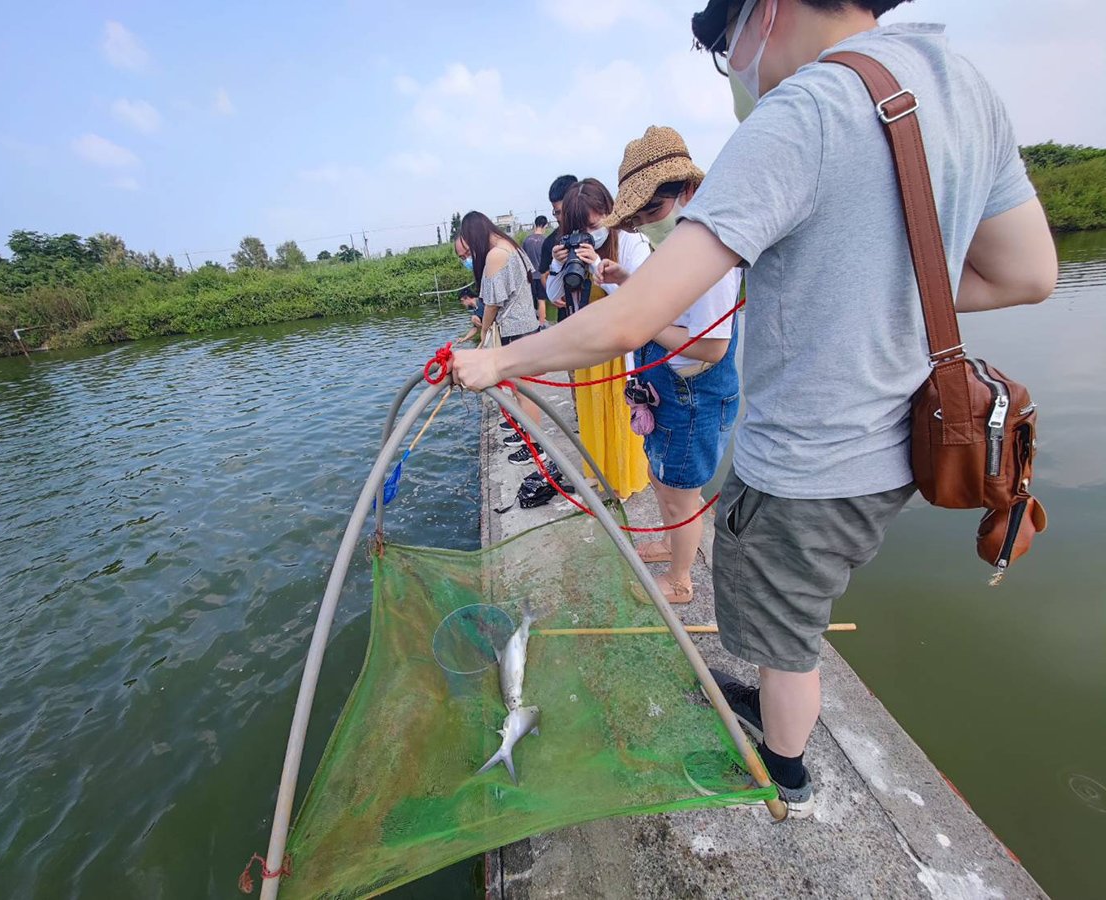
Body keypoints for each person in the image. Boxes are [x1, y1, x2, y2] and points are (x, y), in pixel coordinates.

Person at [452, 0, 1057, 817]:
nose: (733, 65)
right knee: (798, 617)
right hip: (900, 448)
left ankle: (785, 774)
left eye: (722, 43)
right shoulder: (961, 85)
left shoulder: (801, 112)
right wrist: (873, 291)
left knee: (789, 638)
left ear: (763, 12)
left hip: (810, 462)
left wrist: (498, 360)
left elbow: (630, 322)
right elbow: (1027, 273)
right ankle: (777, 715)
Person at [602, 126, 744, 604]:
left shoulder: (714, 255)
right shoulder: (679, 245)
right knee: (663, 478)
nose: (647, 223)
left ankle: (681, 582)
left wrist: (645, 322)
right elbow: (668, 293)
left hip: (693, 398)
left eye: (654, 211)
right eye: (639, 219)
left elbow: (711, 348)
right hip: (668, 391)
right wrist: (627, 278)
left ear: (687, 191)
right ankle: (668, 543)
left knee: (683, 494)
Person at [546, 179, 649, 501]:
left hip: (621, 347)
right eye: (579, 228)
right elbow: (555, 297)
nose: (589, 233)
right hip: (591, 349)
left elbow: (641, 301)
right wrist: (558, 264)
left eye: (593, 224)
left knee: (620, 416)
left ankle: (625, 479)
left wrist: (596, 268)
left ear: (609, 211)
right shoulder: (574, 251)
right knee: (592, 416)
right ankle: (599, 472)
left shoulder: (632, 242)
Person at [454, 211, 546, 466]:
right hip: (524, 328)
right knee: (520, 391)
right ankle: (527, 437)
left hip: (517, 331)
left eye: (467, 254)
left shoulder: (496, 255)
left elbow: (492, 303)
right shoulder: (511, 247)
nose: (468, 260)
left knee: (524, 393)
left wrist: (483, 332)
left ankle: (536, 448)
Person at [538, 175, 578, 323]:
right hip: (567, 315)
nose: (559, 217)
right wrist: (553, 295)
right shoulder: (551, 242)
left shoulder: (595, 234)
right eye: (556, 212)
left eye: (562, 212)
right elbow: (543, 274)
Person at [522, 216, 550, 325]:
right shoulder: (545, 241)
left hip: (529, 276)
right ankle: (542, 324)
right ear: (545, 225)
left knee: (530, 302)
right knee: (541, 300)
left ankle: (531, 324)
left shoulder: (527, 240)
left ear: (535, 224)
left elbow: (523, 258)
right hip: (541, 276)